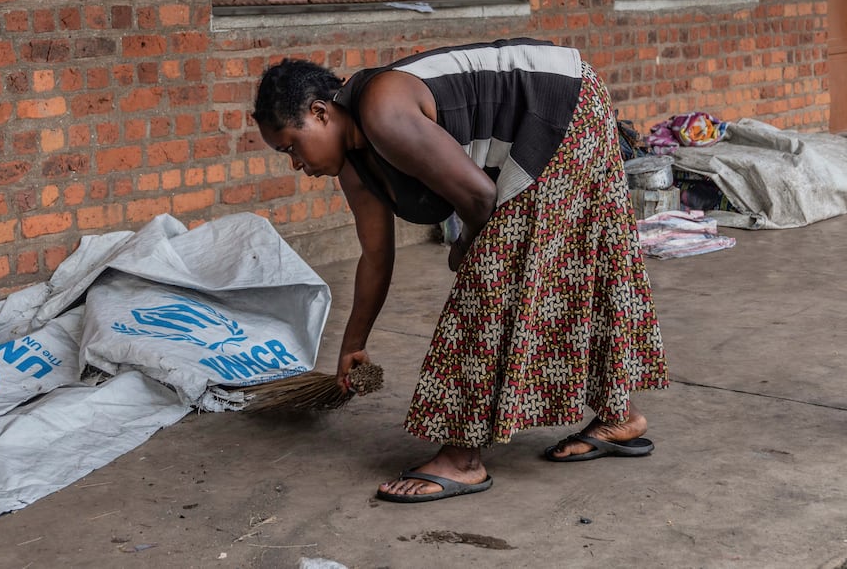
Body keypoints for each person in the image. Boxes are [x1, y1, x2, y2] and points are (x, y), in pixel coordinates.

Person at [253, 38, 667, 503]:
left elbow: (478, 199)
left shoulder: (382, 111)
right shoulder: (354, 164)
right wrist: (354, 343)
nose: (295, 163)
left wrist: (467, 247)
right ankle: (620, 415)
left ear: (321, 112)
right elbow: (375, 255)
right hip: (562, 105)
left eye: (292, 145)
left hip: (562, 106)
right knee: (558, 274)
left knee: (485, 288)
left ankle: (461, 458)